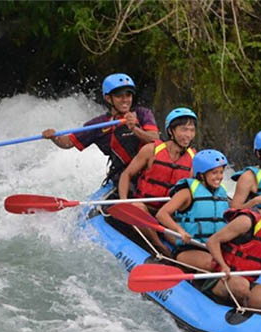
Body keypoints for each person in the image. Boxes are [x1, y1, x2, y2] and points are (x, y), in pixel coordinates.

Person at [42, 73, 159, 184]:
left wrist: (134, 128)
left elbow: (154, 139)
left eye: (128, 95)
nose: (125, 100)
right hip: (124, 176)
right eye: (119, 96)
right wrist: (54, 136)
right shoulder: (99, 124)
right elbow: (68, 142)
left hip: (150, 170)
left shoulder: (143, 114)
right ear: (108, 99)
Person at [117, 107, 197, 254]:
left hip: (169, 215)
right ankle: (158, 245)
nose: (188, 135)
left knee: (180, 240)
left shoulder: (194, 159)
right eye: (184, 130)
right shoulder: (151, 150)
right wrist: (124, 202)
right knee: (137, 207)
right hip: (145, 209)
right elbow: (126, 175)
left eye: (192, 130)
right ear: (171, 131)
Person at [156, 149, 229, 271]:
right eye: (214, 173)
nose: (219, 177)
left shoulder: (221, 193)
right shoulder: (187, 192)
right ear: (201, 174)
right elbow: (161, 214)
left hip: (215, 247)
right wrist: (180, 231)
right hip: (190, 247)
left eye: (221, 172)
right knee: (213, 264)